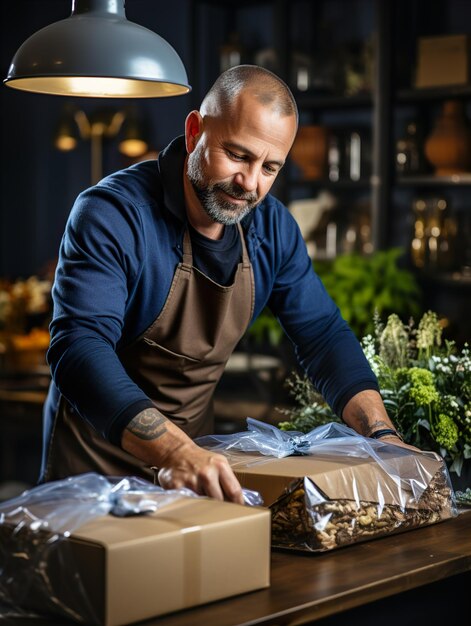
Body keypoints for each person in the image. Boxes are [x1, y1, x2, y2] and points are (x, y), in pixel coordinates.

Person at [41, 65, 417, 504]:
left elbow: (323, 335)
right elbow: (79, 347)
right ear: (195, 130)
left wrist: (382, 436)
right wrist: (174, 450)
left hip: (196, 473)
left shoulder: (273, 229)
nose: (250, 184)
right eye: (238, 155)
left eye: (270, 167)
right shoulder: (113, 214)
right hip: (90, 473)